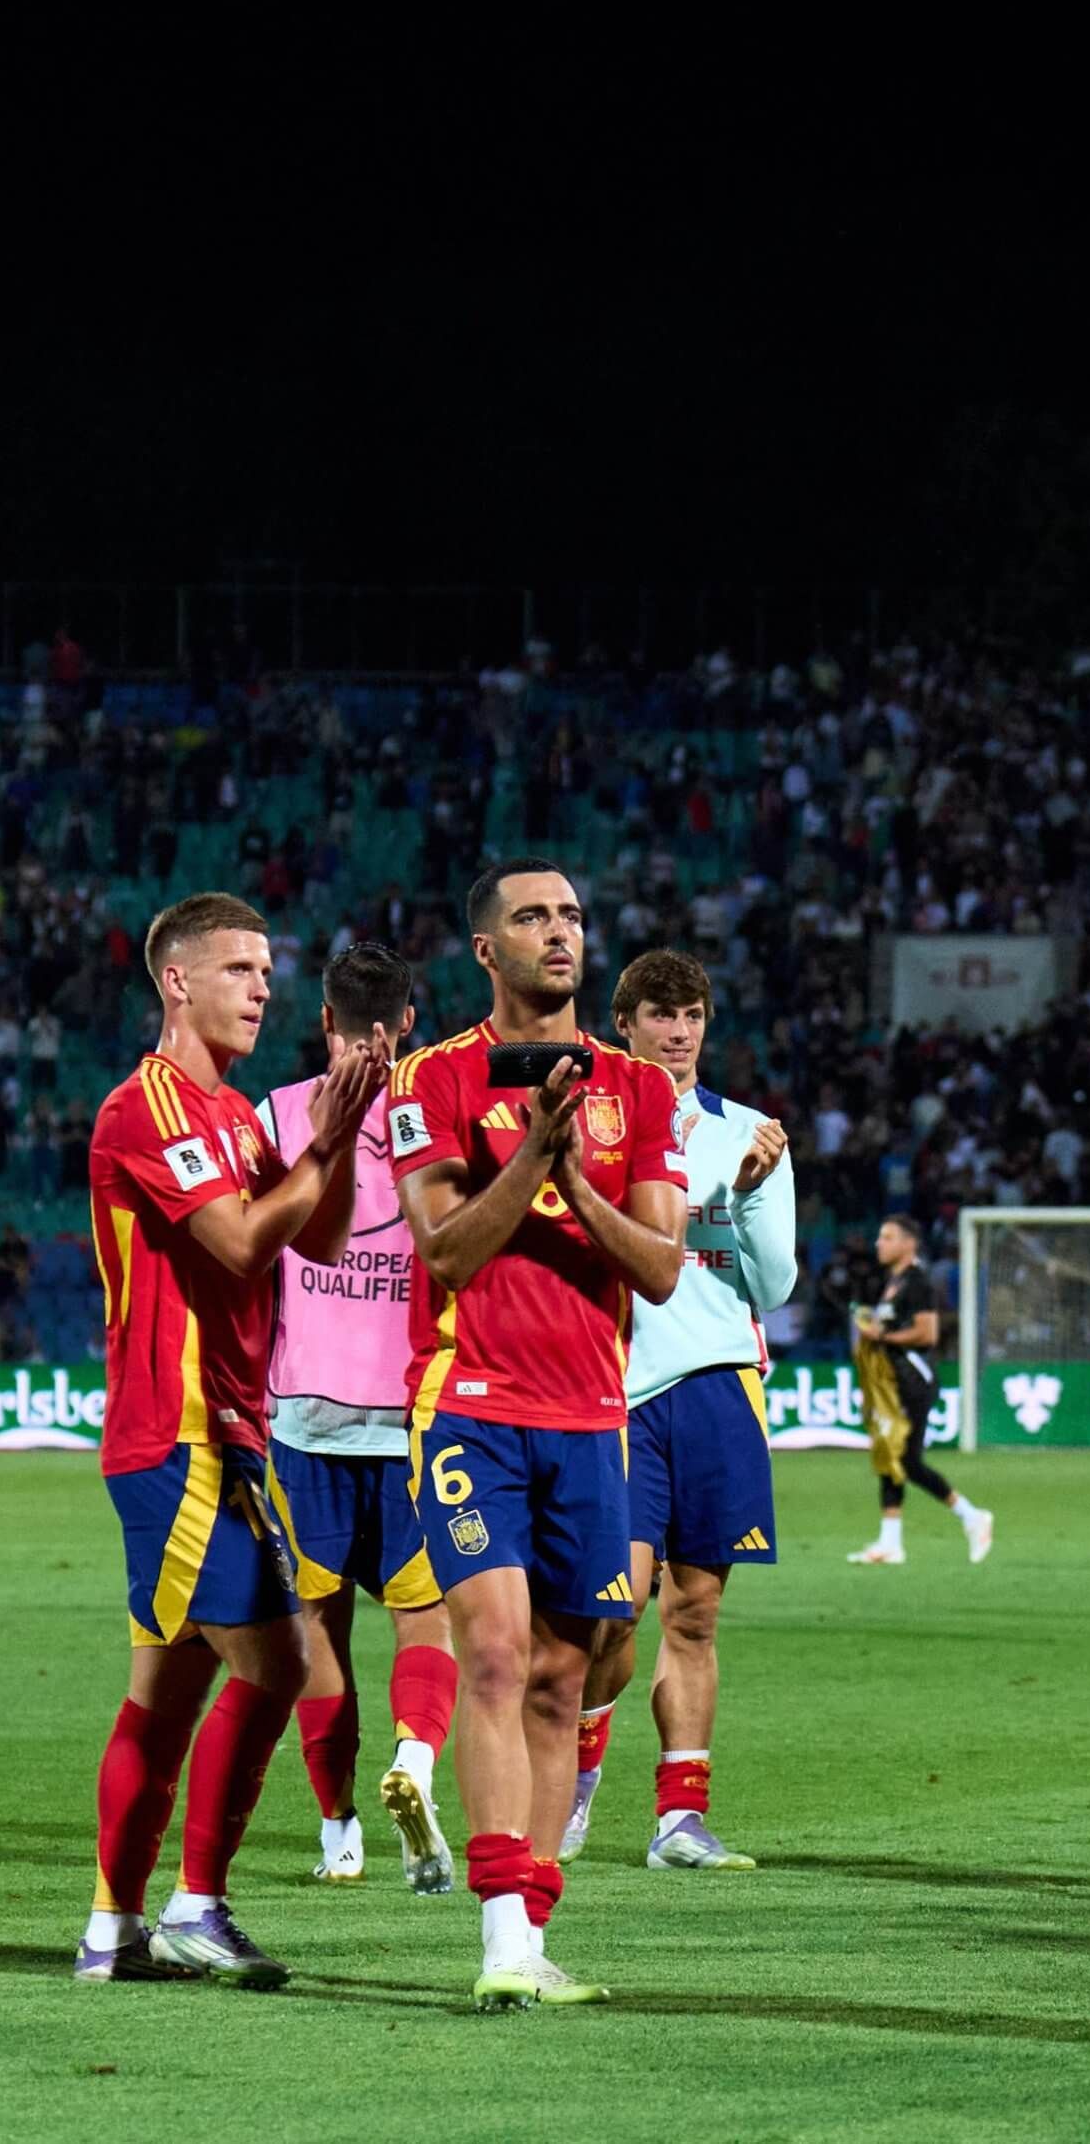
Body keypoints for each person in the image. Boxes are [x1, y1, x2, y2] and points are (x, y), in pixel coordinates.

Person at [392, 861, 692, 2012]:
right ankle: (501, 1937)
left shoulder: (641, 1089)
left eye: (569, 915)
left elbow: (663, 1268)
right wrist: (532, 1154)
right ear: (487, 949)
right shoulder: (434, 1078)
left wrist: (570, 1168)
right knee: (498, 1656)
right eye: (532, 917)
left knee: (569, 1679)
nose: (559, 933)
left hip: (590, 1420)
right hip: (470, 1404)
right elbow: (448, 1252)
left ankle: (533, 1922)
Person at [77, 893, 384, 1986]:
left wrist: (339, 1139)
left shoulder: (240, 1117)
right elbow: (249, 1243)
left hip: (227, 1431)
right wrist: (332, 1135)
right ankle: (196, 1904)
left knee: (163, 1697)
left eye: (268, 971)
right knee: (282, 1659)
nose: (264, 988)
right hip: (179, 1430)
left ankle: (111, 1936)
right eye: (241, 970)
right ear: (177, 981)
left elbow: (327, 1229)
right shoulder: (148, 1105)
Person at [567, 947, 795, 1871]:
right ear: (624, 1026)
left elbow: (773, 1287)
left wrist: (739, 1196)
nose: (679, 1033)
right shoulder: (588, 1117)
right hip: (614, 1388)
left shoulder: (748, 1133)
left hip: (715, 1382)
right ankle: (575, 1784)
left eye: (692, 1016)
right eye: (660, 1016)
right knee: (611, 1613)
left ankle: (679, 1819)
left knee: (695, 1612)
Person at [259, 941, 459, 1893]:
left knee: (317, 1631)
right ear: (408, 1021)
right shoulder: (440, 1108)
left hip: (304, 1417)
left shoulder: (276, 1114)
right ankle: (415, 1763)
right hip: (414, 1411)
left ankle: (340, 1834)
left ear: (324, 1021)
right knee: (428, 1625)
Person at [846, 1216, 991, 1565]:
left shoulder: (919, 1283)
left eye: (888, 1237)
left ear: (909, 1244)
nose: (879, 1243)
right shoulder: (891, 1283)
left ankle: (972, 1516)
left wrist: (879, 1336)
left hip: (914, 1380)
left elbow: (927, 1334)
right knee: (888, 1454)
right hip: (891, 1382)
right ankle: (890, 1542)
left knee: (907, 1461)